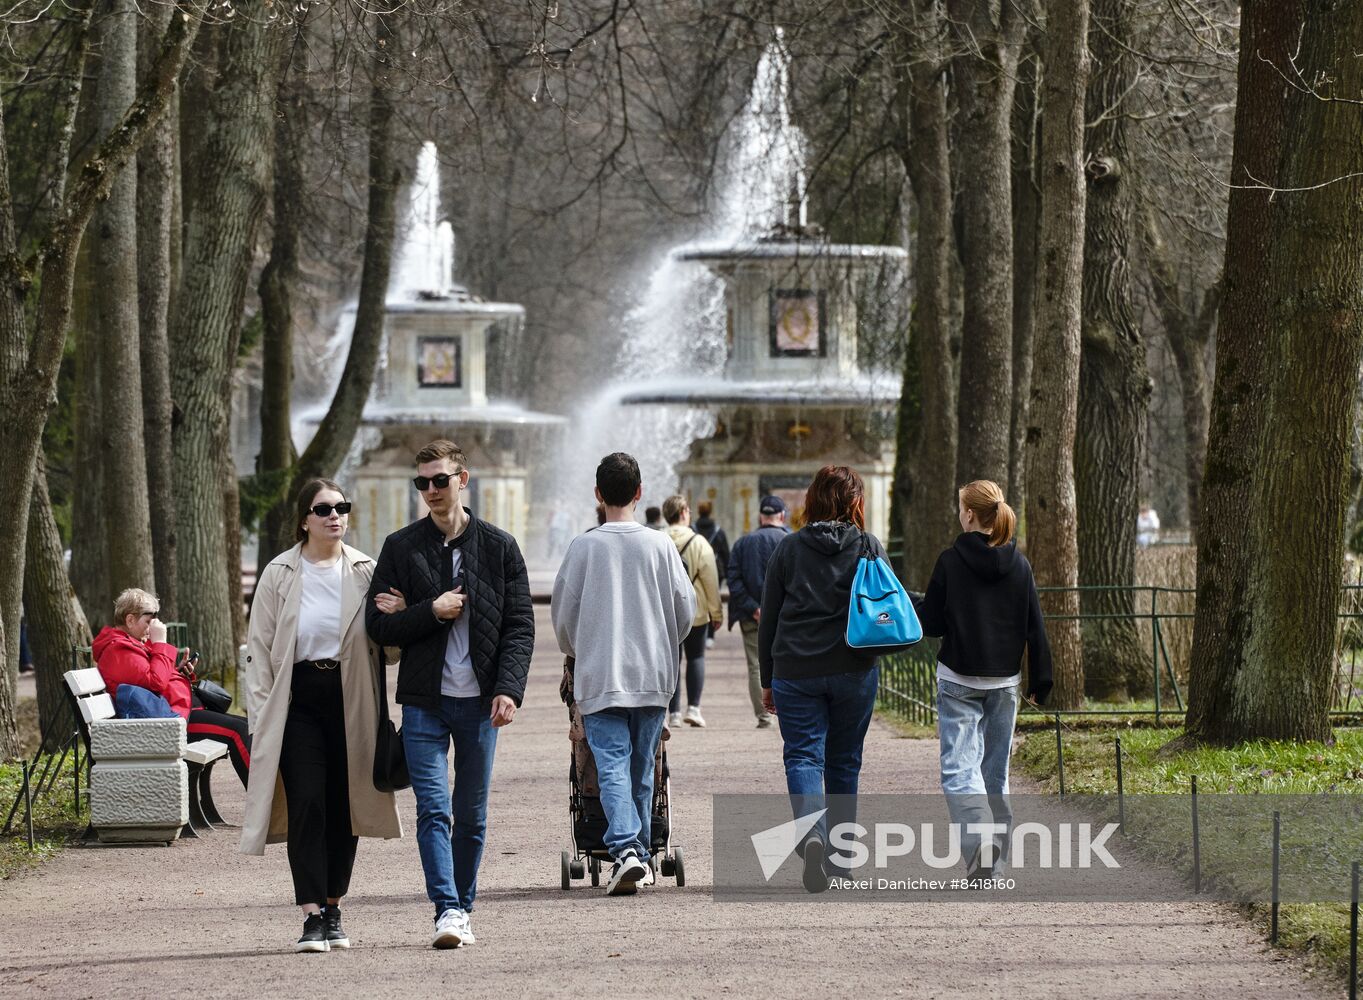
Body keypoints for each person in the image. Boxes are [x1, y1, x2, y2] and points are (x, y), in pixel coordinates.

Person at [365, 439, 533, 950]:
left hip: (480, 702)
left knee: (473, 813)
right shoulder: (401, 546)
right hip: (423, 701)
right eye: (423, 483)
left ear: (464, 480)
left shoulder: (500, 547)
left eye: (440, 480)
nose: (431, 491)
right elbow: (377, 624)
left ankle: (464, 903)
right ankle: (447, 909)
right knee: (434, 809)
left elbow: (519, 627)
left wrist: (509, 689)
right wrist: (428, 611)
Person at [241, 479, 402, 953]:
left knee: (344, 805)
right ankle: (311, 913)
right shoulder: (279, 573)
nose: (335, 516)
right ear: (304, 519)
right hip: (296, 702)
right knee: (307, 801)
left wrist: (399, 613)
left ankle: (334, 907)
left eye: (341, 507)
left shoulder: (366, 570)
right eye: (323, 508)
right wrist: (261, 721)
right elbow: (260, 649)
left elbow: (389, 652)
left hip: (352, 700)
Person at [552, 452, 694, 895]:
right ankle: (640, 851)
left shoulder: (584, 547)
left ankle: (628, 851)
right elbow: (684, 611)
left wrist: (582, 648)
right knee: (642, 766)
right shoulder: (660, 546)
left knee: (610, 763)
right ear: (639, 493)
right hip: (652, 674)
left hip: (601, 675)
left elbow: (563, 618)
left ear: (598, 494)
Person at [912, 479, 1053, 879]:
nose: (959, 513)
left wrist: (916, 608)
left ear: (970, 515)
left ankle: (978, 845)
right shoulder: (1019, 564)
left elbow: (934, 623)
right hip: (1005, 682)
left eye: (960, 507)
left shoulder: (950, 562)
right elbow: (1034, 625)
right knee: (996, 773)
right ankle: (995, 861)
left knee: (959, 769)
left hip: (958, 678)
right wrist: (1041, 678)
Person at [758, 465, 884, 893]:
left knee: (803, 757)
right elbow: (886, 603)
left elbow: (770, 618)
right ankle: (842, 860)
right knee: (845, 761)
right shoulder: (868, 546)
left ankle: (811, 834)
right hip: (854, 666)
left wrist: (767, 679)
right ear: (855, 503)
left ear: (811, 500)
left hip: (796, 669)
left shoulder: (789, 550)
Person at [92, 588, 252, 788]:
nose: (153, 626)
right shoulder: (118, 649)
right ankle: (263, 807)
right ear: (130, 620)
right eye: (149, 620)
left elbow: (151, 681)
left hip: (173, 716)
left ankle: (265, 805)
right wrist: (160, 644)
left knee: (246, 725)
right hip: (163, 727)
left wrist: (178, 671)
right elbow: (155, 682)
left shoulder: (129, 644)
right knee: (238, 731)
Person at [727, 495, 790, 729]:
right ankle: (788, 712)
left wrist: (754, 608)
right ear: (782, 516)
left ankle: (764, 715)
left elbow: (734, 580)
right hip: (785, 616)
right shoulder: (790, 541)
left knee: (756, 665)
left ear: (760, 517)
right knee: (787, 661)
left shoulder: (743, 543)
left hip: (751, 615)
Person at [662, 494, 721, 728]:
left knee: (671, 661)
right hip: (695, 609)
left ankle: (673, 712)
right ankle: (693, 708)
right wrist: (716, 613)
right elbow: (710, 580)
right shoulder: (699, 543)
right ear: (684, 512)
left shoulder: (658, 539)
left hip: (665, 612)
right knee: (696, 657)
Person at [692, 501, 730, 647]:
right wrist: (727, 573)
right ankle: (710, 636)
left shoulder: (692, 528)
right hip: (715, 570)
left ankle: (696, 629)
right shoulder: (718, 531)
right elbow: (725, 553)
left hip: (695, 569)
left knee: (697, 599)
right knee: (712, 598)